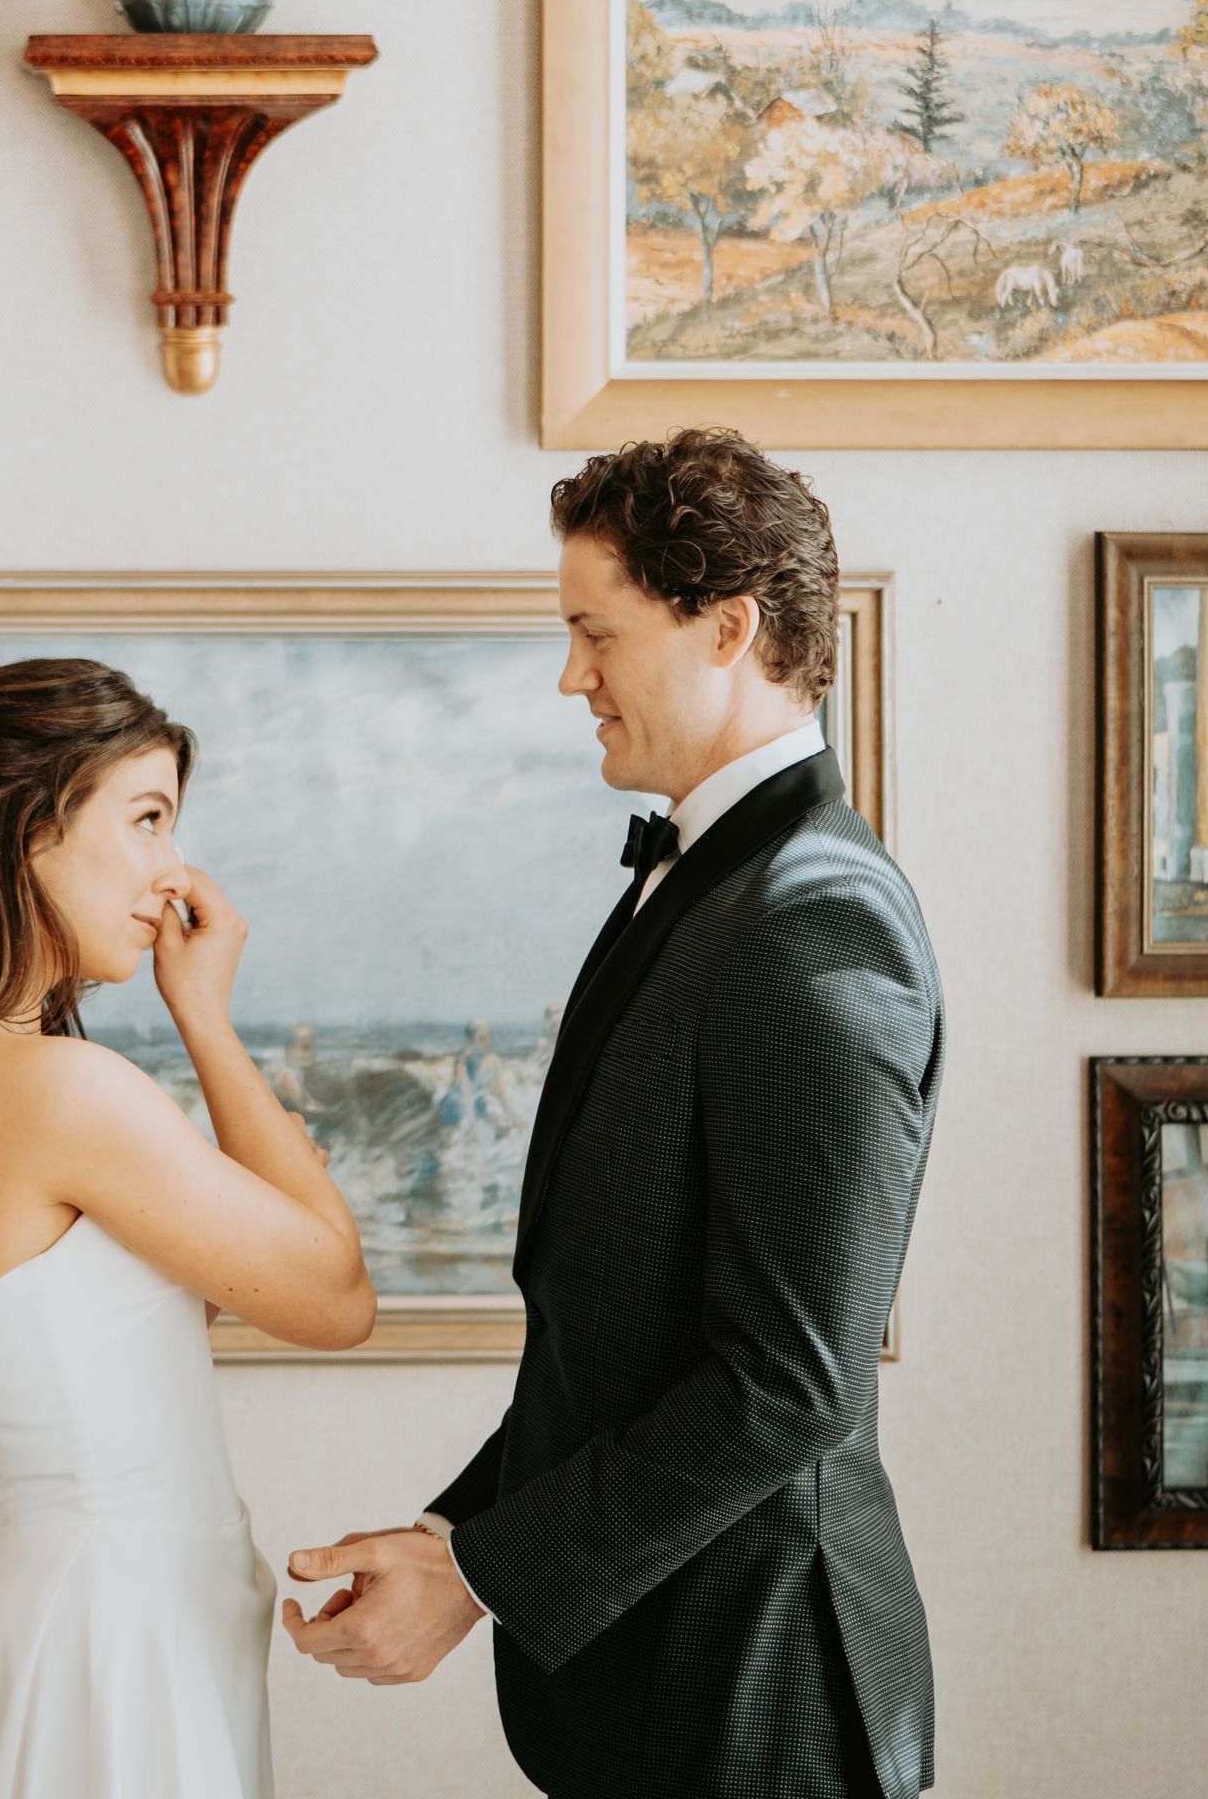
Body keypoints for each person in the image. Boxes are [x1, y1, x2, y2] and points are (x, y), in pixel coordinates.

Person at [285, 428, 944, 1799]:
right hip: (666, 1684)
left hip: (758, 1694)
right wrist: (453, 1536)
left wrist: (476, 1578)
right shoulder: (714, 883)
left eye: (597, 632)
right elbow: (625, 1344)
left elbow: (786, 1386)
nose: (570, 675)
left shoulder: (817, 915)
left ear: (729, 630)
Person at [0, 659, 374, 1799]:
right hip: (101, 1637)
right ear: (25, 833)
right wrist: (205, 1017)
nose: (175, 872)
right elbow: (337, 1300)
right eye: (147, 819)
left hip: (51, 1610)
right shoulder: (55, 1089)